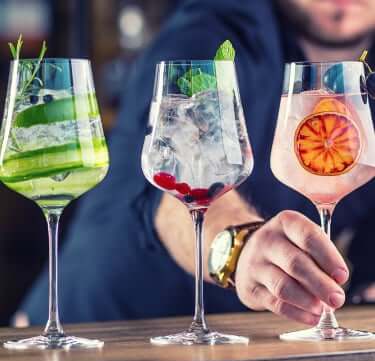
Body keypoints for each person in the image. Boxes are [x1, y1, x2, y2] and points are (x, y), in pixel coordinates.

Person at [18, 0, 375, 326]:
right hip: (96, 329)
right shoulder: (210, 32)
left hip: (235, 343)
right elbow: (171, 180)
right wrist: (238, 247)